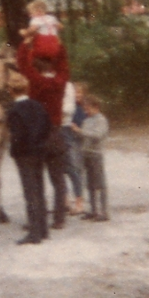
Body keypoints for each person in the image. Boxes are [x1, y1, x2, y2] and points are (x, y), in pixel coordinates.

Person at [17, 35, 71, 230]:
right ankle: (59, 218)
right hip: (55, 134)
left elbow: (22, 63)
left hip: (37, 137)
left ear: (35, 67)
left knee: (37, 179)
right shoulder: (60, 82)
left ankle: (39, 218)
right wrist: (59, 44)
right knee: (58, 179)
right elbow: (64, 66)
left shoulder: (35, 82)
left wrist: (25, 42)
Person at [5, 71, 51, 244]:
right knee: (39, 189)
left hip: (24, 154)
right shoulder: (38, 106)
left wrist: (14, 151)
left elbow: (17, 136)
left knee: (29, 192)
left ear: (10, 90)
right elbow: (47, 126)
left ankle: (34, 233)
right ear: (26, 88)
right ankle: (43, 229)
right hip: (39, 151)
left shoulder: (14, 111)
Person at [79, 95, 110, 221]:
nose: (86, 111)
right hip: (86, 154)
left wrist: (80, 132)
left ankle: (104, 211)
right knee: (90, 183)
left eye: (88, 109)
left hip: (96, 154)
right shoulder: (86, 120)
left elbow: (97, 135)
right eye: (84, 109)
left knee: (100, 183)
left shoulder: (101, 120)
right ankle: (93, 210)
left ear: (96, 107)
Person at [62, 81, 87, 215]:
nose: (76, 95)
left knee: (74, 169)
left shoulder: (81, 109)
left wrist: (77, 129)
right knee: (62, 169)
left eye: (79, 93)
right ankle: (66, 200)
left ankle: (79, 200)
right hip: (67, 137)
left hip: (75, 141)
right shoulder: (71, 106)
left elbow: (84, 127)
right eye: (75, 92)